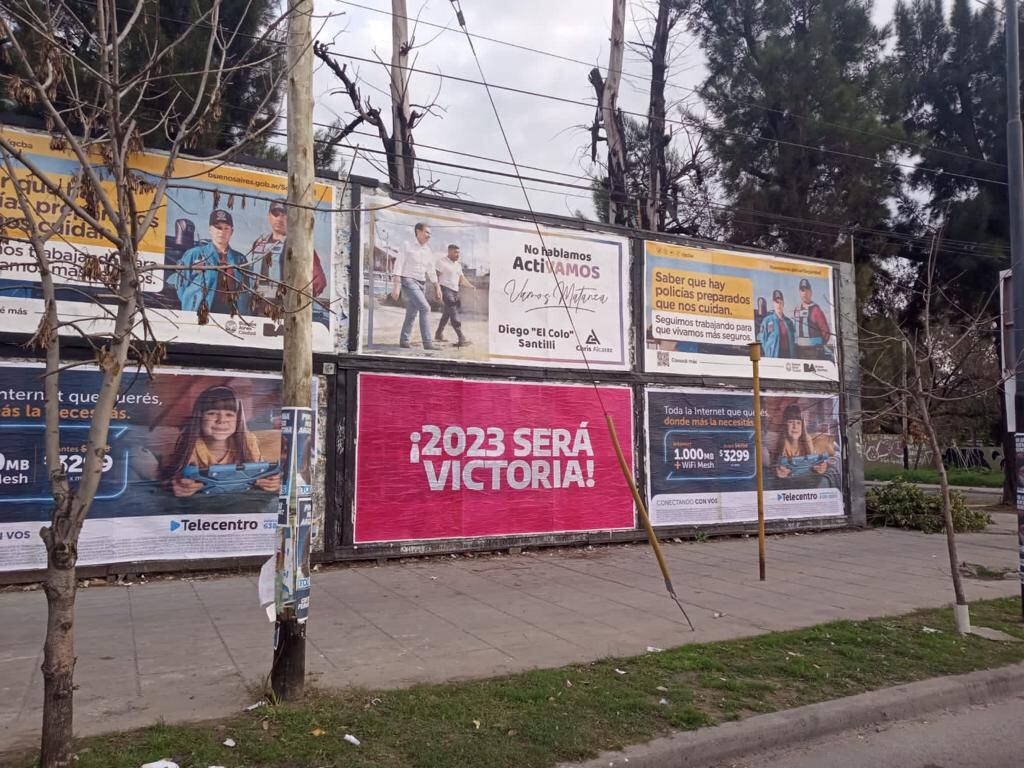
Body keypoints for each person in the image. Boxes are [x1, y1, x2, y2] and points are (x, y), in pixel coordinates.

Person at [160, 385, 281, 497]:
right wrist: (180, 486)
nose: (221, 420)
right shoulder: (191, 444)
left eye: (229, 414)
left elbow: (261, 473)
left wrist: (271, 482)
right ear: (200, 417)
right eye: (212, 413)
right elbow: (172, 479)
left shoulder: (247, 440)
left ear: (238, 419)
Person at [251, 198, 327, 316]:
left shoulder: (301, 245)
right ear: (269, 216)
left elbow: (319, 280)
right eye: (275, 214)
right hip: (258, 310)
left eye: (284, 214)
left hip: (286, 312)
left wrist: (298, 302)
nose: (279, 218)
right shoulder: (259, 243)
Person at [175, 209, 251, 316]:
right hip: (201, 314)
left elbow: (245, 290)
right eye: (218, 227)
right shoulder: (194, 254)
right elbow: (180, 287)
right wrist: (192, 304)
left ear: (231, 232)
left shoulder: (240, 259)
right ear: (210, 229)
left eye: (226, 228)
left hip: (232, 316)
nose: (222, 232)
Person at [391, 221, 442, 350]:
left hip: (421, 283)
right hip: (408, 280)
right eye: (427, 232)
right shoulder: (407, 245)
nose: (429, 235)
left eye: (430, 233)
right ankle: (427, 343)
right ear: (418, 232)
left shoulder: (428, 250)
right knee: (425, 308)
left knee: (412, 313)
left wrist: (437, 287)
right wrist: (396, 286)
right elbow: (399, 264)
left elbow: (431, 270)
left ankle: (404, 340)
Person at [773, 404, 830, 480]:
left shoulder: (809, 442)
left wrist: (821, 468)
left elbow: (818, 464)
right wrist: (777, 473)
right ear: (785, 425)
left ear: (803, 427)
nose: (795, 426)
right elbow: (771, 467)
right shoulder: (777, 444)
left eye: (798, 423)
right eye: (790, 422)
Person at [434, 244, 474, 346]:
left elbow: (461, 279)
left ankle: (438, 334)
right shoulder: (441, 262)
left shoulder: (458, 265)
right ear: (449, 252)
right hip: (445, 289)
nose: (458, 255)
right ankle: (461, 338)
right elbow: (435, 277)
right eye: (455, 252)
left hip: (455, 291)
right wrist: (437, 290)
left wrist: (470, 286)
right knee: (453, 312)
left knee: (447, 314)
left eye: (458, 252)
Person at [793, 278, 832, 360]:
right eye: (802, 290)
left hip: (814, 352)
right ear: (799, 292)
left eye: (807, 290)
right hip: (799, 351)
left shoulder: (816, 310)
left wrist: (818, 346)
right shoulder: (796, 309)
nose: (805, 293)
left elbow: (826, 332)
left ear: (811, 292)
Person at [758, 289, 797, 358]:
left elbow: (793, 339)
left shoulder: (789, 322)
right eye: (777, 302)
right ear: (773, 303)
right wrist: (768, 353)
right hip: (774, 357)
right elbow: (763, 340)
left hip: (788, 357)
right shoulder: (767, 321)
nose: (779, 304)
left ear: (783, 304)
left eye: (780, 302)